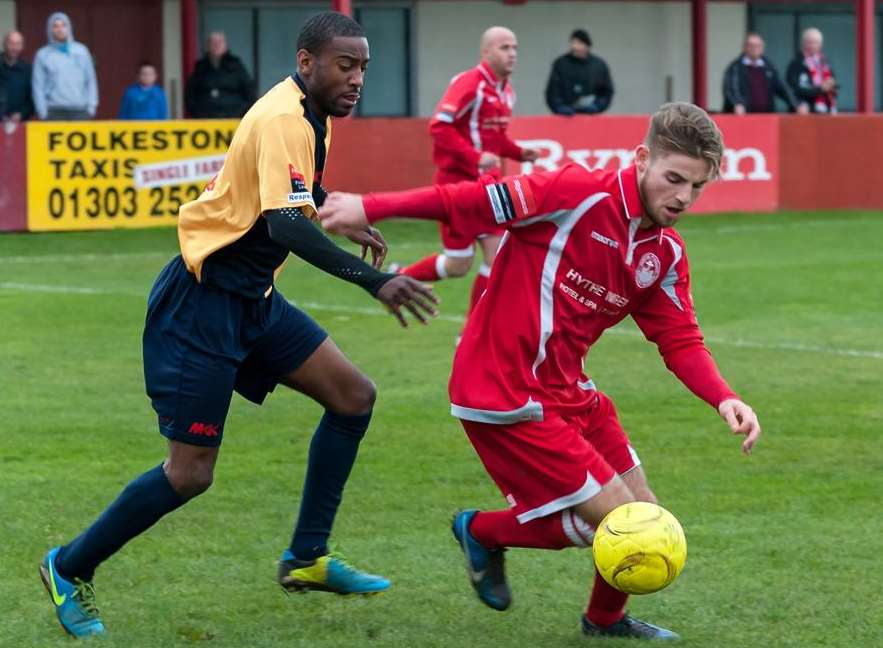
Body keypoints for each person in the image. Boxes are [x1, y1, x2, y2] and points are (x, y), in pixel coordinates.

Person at [39, 12, 437, 639]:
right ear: (307, 62)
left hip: (253, 299)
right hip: (203, 305)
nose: (357, 77)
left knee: (353, 396)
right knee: (190, 472)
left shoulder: (310, 114)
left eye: (363, 66)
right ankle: (68, 565)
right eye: (345, 65)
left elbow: (293, 195)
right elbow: (283, 225)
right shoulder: (283, 116)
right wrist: (377, 281)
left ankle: (306, 559)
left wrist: (336, 207)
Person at [320, 102, 762, 641]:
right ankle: (481, 530)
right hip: (502, 387)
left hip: (568, 389)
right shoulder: (577, 194)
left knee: (644, 511)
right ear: (643, 158)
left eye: (696, 187)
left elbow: (679, 339)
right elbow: (472, 200)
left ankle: (604, 620)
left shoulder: (664, 253)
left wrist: (724, 397)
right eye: (674, 179)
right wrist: (372, 205)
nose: (683, 198)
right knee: (616, 520)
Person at [394, 26, 538, 325]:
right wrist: (475, 157)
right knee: (458, 264)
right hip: (456, 186)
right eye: (504, 47)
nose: (512, 53)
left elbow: (495, 139)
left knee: (497, 256)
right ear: (485, 52)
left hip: (488, 187)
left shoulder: (507, 92)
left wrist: (518, 153)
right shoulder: (469, 83)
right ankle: (398, 278)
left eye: (514, 48)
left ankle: (473, 331)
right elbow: (439, 126)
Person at [32, 12, 98, 121]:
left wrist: (91, 108)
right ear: (50, 29)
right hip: (54, 112)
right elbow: (38, 86)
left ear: (69, 28)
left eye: (63, 25)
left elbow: (90, 80)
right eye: (56, 26)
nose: (60, 29)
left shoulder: (82, 51)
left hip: (80, 111)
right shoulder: (42, 55)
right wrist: (42, 112)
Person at [723, 33, 804, 114]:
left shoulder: (768, 67)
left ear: (762, 48)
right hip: (744, 118)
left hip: (766, 117)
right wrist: (738, 103)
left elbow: (782, 87)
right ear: (744, 47)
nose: (754, 49)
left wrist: (796, 104)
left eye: (757, 46)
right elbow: (731, 89)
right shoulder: (735, 68)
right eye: (750, 45)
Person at [185, 31, 255, 118]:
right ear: (208, 46)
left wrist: (239, 114)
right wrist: (199, 115)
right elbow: (190, 95)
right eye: (213, 43)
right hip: (205, 123)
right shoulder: (200, 68)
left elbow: (250, 93)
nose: (216, 45)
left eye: (219, 42)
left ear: (225, 45)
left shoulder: (236, 67)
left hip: (233, 121)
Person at [545, 29, 614, 116]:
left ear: (587, 46)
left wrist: (598, 106)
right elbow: (553, 90)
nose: (575, 46)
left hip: (591, 117)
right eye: (573, 43)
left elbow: (606, 91)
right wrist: (559, 106)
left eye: (579, 43)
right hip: (565, 117)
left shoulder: (599, 65)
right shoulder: (560, 64)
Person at [787, 27, 837, 114]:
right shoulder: (796, 63)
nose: (812, 45)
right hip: (805, 111)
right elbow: (794, 89)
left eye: (816, 42)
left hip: (825, 109)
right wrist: (820, 89)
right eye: (809, 42)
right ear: (803, 43)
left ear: (821, 44)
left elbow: (832, 84)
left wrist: (832, 85)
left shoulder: (825, 62)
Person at [0, 31, 34, 126]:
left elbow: (31, 99)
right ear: (4, 44)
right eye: (11, 43)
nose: (14, 47)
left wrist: (21, 114)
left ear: (22, 47)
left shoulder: (28, 70)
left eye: (18, 44)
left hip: (20, 124)